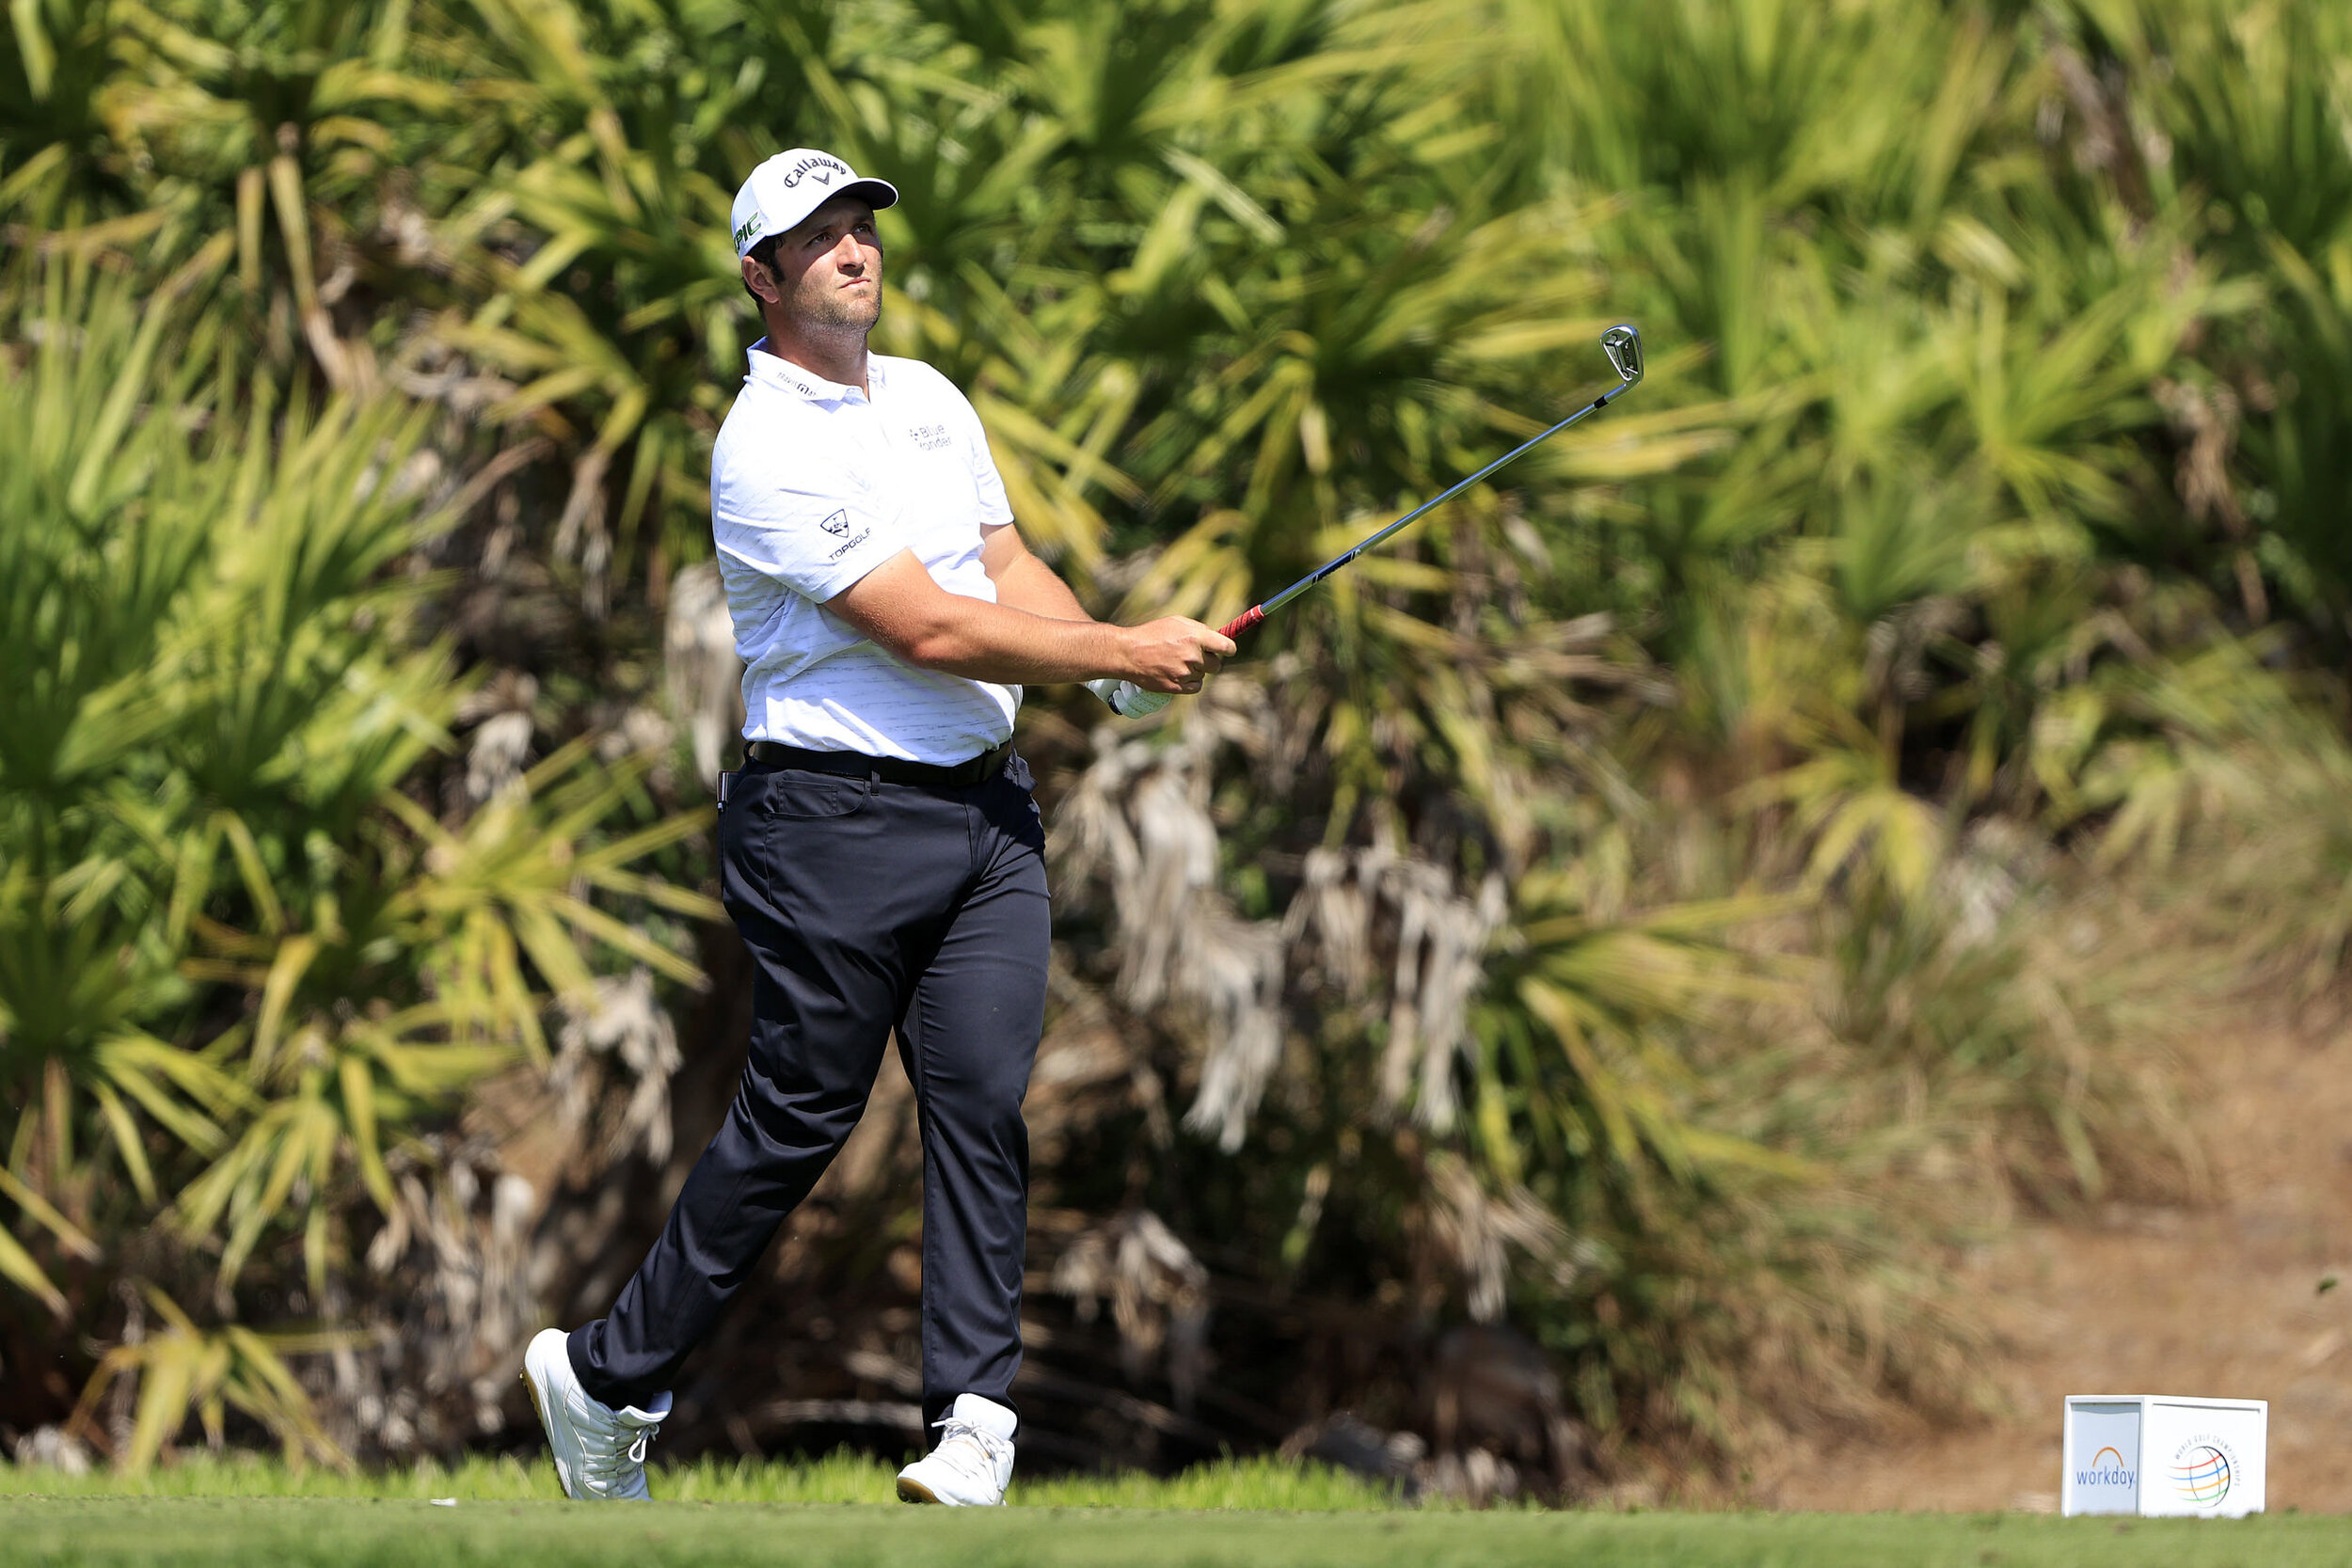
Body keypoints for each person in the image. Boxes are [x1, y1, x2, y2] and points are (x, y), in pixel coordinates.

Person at [520, 147, 1235, 1505]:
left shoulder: (927, 399)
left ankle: (973, 1422)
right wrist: (1119, 658)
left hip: (985, 823)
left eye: (862, 228)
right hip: (827, 824)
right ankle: (606, 1378)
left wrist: (1105, 654)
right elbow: (926, 625)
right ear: (762, 276)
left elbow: (999, 564)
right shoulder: (765, 443)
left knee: (978, 1102)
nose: (856, 250)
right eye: (820, 236)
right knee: (802, 1116)